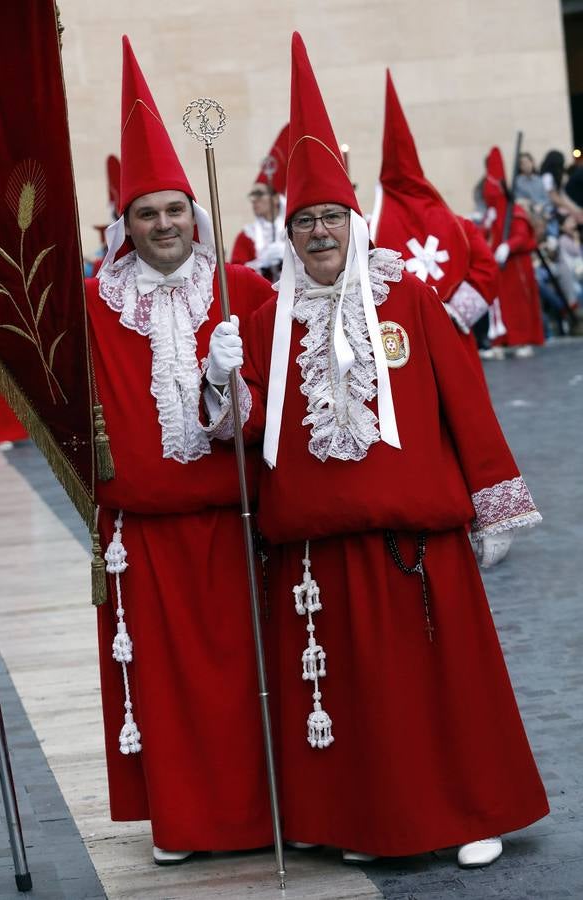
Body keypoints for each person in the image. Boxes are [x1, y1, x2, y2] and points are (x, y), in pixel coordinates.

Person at [208, 32, 549, 870]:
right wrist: (222, 380)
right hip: (318, 554)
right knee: (350, 704)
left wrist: (495, 497)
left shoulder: (410, 299)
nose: (319, 231)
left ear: (353, 221)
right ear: (289, 233)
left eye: (330, 216)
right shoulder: (262, 321)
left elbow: (467, 404)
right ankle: (364, 824)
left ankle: (474, 813)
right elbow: (241, 430)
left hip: (418, 548)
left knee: (445, 691)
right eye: (305, 220)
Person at [85, 36, 273, 866]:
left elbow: (272, 417)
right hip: (143, 539)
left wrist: (229, 384)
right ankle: (187, 826)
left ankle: (266, 816)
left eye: (173, 210)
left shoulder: (247, 291)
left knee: (244, 682)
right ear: (124, 225)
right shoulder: (92, 306)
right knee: (166, 690)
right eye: (144, 213)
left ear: (194, 215)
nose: (162, 225)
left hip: (237, 526)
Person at [371, 70, 498, 378]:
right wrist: (452, 312)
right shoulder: (460, 226)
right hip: (452, 336)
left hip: (398, 344)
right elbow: (487, 270)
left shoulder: (369, 228)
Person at [483, 147, 545, 357]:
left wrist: (507, 246)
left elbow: (520, 234)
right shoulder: (492, 212)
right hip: (498, 267)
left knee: (518, 305)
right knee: (499, 307)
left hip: (516, 264)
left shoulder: (513, 208)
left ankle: (523, 341)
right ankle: (499, 343)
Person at [230, 125, 289, 281]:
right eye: (252, 195)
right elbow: (236, 274)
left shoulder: (294, 229)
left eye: (259, 194)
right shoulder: (246, 236)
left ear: (276, 198)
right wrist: (261, 263)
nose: (254, 200)